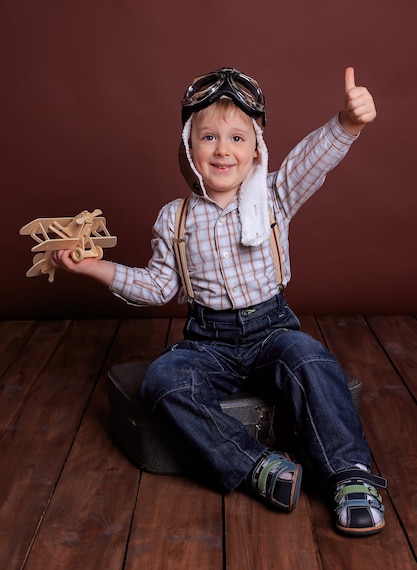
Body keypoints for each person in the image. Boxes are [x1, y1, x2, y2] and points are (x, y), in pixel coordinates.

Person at [51, 66, 387, 536]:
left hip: (272, 329)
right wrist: (95, 269)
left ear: (256, 151)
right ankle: (258, 467)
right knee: (162, 382)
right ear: (189, 148)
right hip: (208, 339)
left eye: (236, 138)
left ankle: (350, 474)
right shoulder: (175, 218)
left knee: (310, 359)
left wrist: (348, 123)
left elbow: (313, 159)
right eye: (208, 137)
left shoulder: (274, 196)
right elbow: (158, 286)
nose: (223, 149)